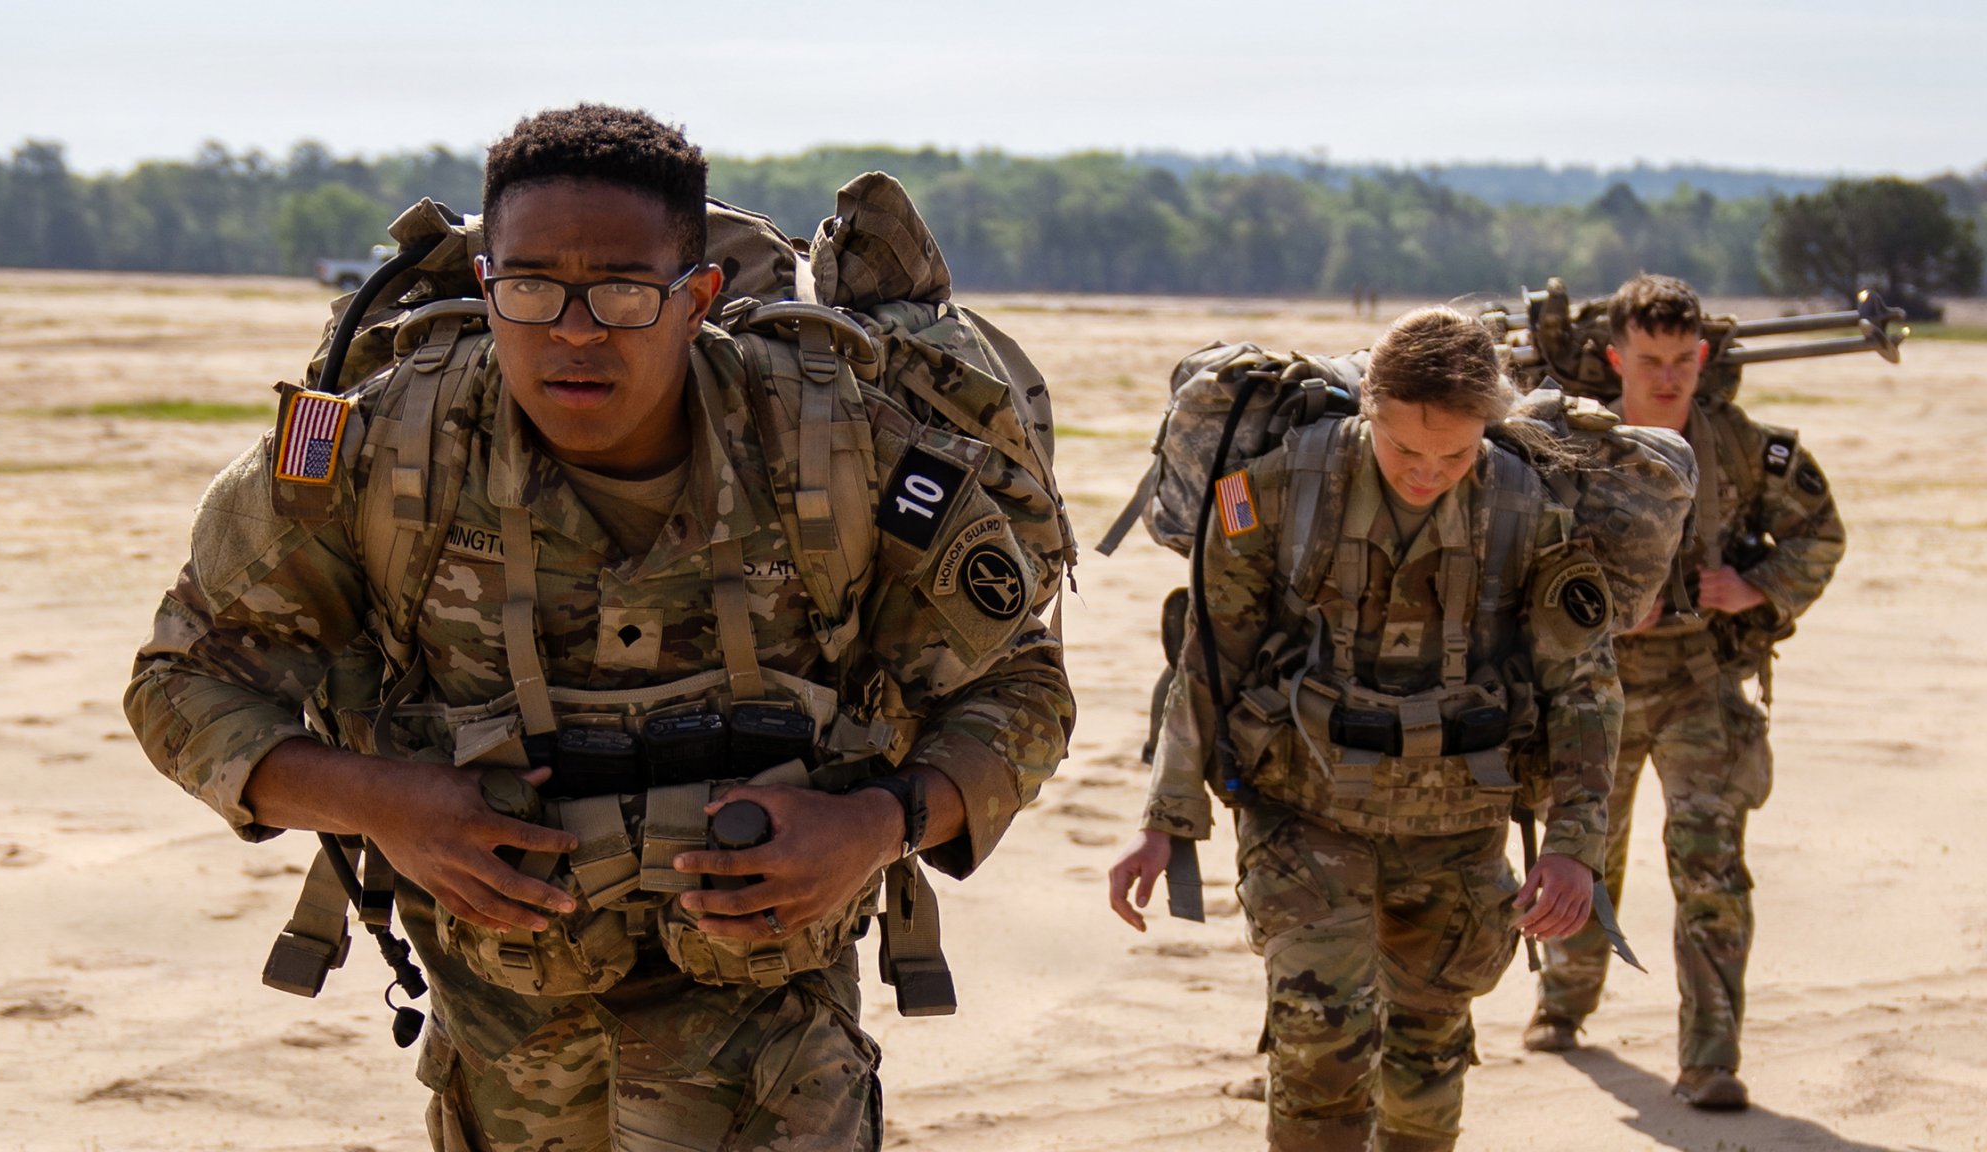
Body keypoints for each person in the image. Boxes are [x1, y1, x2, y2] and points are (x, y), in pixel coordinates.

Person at [124, 104, 1073, 1152]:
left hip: (777, 1059)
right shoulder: (387, 454)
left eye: (622, 292)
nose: (573, 331)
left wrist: (877, 826)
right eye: (530, 289)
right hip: (506, 1064)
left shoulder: (834, 444)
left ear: (695, 297)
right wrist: (386, 804)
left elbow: (1018, 686)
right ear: (489, 290)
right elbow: (180, 680)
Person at [1108, 307, 1619, 1152]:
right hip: (1306, 809)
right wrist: (1164, 822)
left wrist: (1574, 844)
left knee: (1428, 1055)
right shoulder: (1272, 492)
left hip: (1457, 824)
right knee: (1322, 1039)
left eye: (1454, 454)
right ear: (1367, 409)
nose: (1427, 472)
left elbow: (1584, 685)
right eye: (1404, 448)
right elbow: (1210, 658)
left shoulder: (1528, 511)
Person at [1522, 273, 1846, 1111]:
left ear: (1702, 357)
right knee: (1586, 855)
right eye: (1649, 359)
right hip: (1596, 689)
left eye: (1681, 360)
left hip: (1704, 685)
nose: (1666, 377)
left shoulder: (1743, 448)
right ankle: (1563, 1001)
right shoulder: (1575, 444)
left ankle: (1710, 1056)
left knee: (1710, 865)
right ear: (1615, 357)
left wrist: (1758, 585)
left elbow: (1821, 529)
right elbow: (1519, 550)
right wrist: (1588, 612)